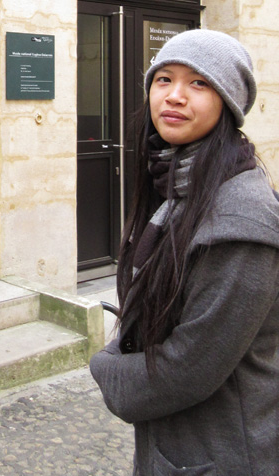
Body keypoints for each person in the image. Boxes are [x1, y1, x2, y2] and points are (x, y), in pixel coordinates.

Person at [89, 29, 279, 476]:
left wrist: (106, 367)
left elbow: (189, 369)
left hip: (225, 454)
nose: (174, 96)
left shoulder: (241, 225)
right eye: (163, 80)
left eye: (199, 83)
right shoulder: (175, 183)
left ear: (228, 103)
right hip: (177, 447)